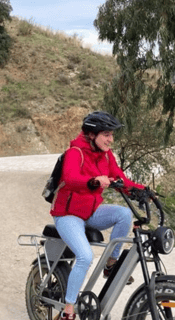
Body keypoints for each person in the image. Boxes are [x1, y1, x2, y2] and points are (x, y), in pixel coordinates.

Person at [50, 111, 147, 320]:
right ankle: (68, 309)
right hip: (67, 215)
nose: (111, 140)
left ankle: (111, 264)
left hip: (90, 212)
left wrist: (142, 190)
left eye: (112, 135)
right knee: (85, 256)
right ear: (92, 135)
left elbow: (121, 179)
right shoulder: (75, 152)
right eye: (106, 135)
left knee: (123, 214)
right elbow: (70, 177)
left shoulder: (106, 156)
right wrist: (92, 181)